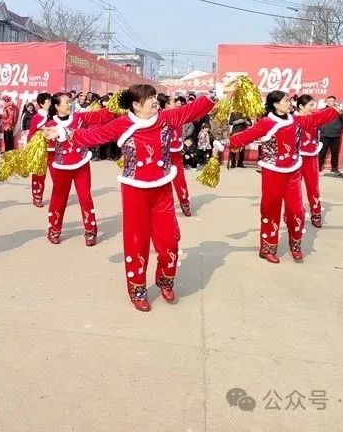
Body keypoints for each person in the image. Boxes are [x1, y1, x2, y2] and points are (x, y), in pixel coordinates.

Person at [43, 82, 226, 311]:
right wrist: (62, 132)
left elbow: (193, 110)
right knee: (137, 241)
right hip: (134, 190)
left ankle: (165, 279)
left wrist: (218, 93)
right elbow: (93, 135)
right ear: (136, 105)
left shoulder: (166, 118)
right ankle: (137, 288)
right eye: (149, 99)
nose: (154, 101)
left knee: (169, 240)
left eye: (154, 97)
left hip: (162, 189)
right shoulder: (122, 124)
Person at [221, 91, 343, 264]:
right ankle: (267, 248)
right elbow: (246, 136)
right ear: (276, 105)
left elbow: (320, 118)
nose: (288, 102)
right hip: (272, 173)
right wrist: (224, 143)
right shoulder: (266, 123)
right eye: (285, 100)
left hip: (293, 172)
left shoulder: (297, 120)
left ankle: (296, 245)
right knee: (270, 210)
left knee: (296, 211)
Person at [41, 92, 117, 246]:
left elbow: (101, 116)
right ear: (56, 106)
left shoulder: (80, 118)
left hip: (81, 164)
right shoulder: (49, 125)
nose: (70, 105)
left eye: (70, 102)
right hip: (61, 167)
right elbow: (46, 142)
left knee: (85, 198)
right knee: (58, 199)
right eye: (66, 102)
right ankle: (54, 230)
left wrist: (117, 105)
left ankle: (90, 231)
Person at [295, 95, 332, 228]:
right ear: (301, 106)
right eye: (310, 105)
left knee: (313, 187)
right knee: (294, 189)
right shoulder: (292, 119)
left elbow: (330, 114)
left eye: (313, 105)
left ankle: (316, 213)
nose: (313, 108)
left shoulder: (315, 118)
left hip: (311, 157)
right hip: (296, 158)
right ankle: (293, 214)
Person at [159, 94, 191, 217]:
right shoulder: (157, 116)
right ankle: (164, 207)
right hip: (161, 154)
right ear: (166, 105)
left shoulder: (178, 114)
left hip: (175, 152)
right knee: (162, 181)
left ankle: (184, 202)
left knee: (179, 179)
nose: (176, 103)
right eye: (173, 102)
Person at [28, 92, 52, 208]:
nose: (50, 103)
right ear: (41, 104)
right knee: (39, 174)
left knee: (58, 175)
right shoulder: (37, 118)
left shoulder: (53, 116)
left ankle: (59, 197)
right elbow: (31, 134)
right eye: (48, 101)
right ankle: (37, 196)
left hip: (53, 149)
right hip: (41, 150)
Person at [318, 95, 343, 173]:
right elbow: (318, 121)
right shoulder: (322, 110)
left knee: (335, 153)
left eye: (332, 101)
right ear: (326, 102)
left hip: (335, 135)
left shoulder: (339, 110)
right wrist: (322, 128)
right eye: (329, 101)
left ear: (335, 102)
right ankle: (318, 168)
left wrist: (338, 128)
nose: (330, 102)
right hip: (324, 135)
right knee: (322, 152)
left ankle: (334, 168)